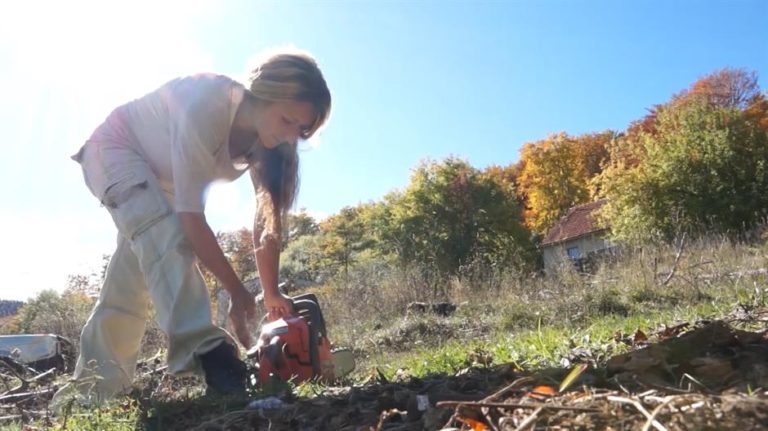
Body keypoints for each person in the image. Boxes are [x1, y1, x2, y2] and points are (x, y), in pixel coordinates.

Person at [52, 50, 331, 405]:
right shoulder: (209, 101)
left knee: (129, 283)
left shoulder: (268, 142)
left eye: (302, 130)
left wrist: (270, 291)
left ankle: (92, 390)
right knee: (165, 235)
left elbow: (265, 225)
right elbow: (191, 218)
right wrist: (237, 291)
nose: (292, 137)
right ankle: (209, 352)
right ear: (265, 94)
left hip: (162, 179)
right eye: (288, 120)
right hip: (114, 151)